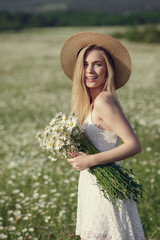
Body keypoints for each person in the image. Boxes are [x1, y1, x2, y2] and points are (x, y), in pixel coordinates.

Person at [60, 32, 145, 240]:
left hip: (105, 191)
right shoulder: (89, 103)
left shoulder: (103, 101)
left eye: (97, 64)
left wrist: (90, 160)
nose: (90, 70)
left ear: (107, 69)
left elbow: (133, 145)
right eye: (85, 64)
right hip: (94, 185)